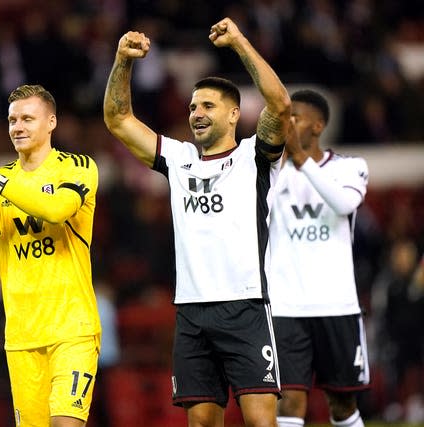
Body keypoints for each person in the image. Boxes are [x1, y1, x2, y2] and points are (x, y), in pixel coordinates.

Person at [103, 17, 290, 427]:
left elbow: (280, 105)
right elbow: (118, 119)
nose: (196, 114)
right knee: (202, 422)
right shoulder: (178, 158)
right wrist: (122, 62)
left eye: (207, 106)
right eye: (192, 107)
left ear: (233, 114)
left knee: (262, 422)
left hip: (244, 307)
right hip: (191, 311)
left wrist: (240, 42)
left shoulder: (252, 157)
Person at [0, 84, 100, 427]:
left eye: (27, 119)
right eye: (12, 120)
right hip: (21, 336)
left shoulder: (77, 167)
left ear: (51, 122)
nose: (17, 127)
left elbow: (55, 209)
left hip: (72, 329)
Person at [267, 89, 370, 427]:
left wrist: (301, 161)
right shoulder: (271, 174)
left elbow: (342, 204)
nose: (288, 122)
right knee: (290, 403)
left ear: (318, 125)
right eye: (285, 116)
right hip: (286, 307)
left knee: (341, 403)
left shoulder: (350, 168)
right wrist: (286, 162)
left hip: (336, 305)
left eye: (295, 116)